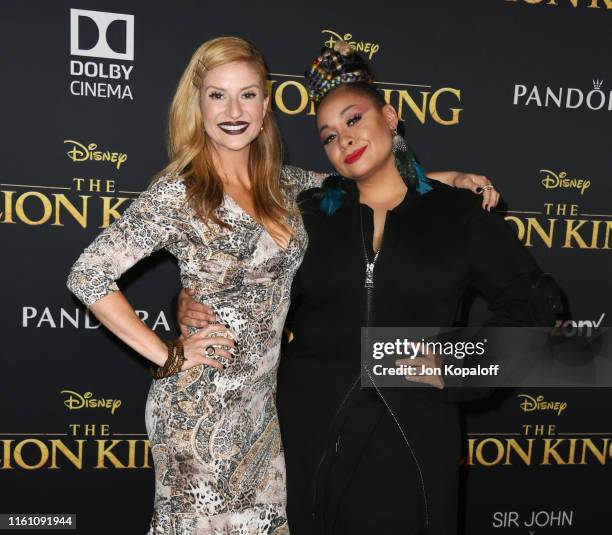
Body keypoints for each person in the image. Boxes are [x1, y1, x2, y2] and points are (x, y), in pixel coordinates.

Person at [67, 36, 496, 535]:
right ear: (197, 103)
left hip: (268, 414)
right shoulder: (180, 191)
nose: (233, 110)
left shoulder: (283, 184)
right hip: (200, 413)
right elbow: (87, 274)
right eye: (217, 95)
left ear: (266, 104)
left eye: (247, 94)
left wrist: (452, 177)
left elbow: (367, 182)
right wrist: (168, 356)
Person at [178, 41, 559, 535]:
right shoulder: (308, 215)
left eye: (354, 120)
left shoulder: (458, 214)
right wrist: (188, 304)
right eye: (329, 136)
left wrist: (463, 363)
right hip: (313, 427)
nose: (344, 141)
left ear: (391, 116)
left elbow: (533, 301)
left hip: (415, 431)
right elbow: (242, 288)